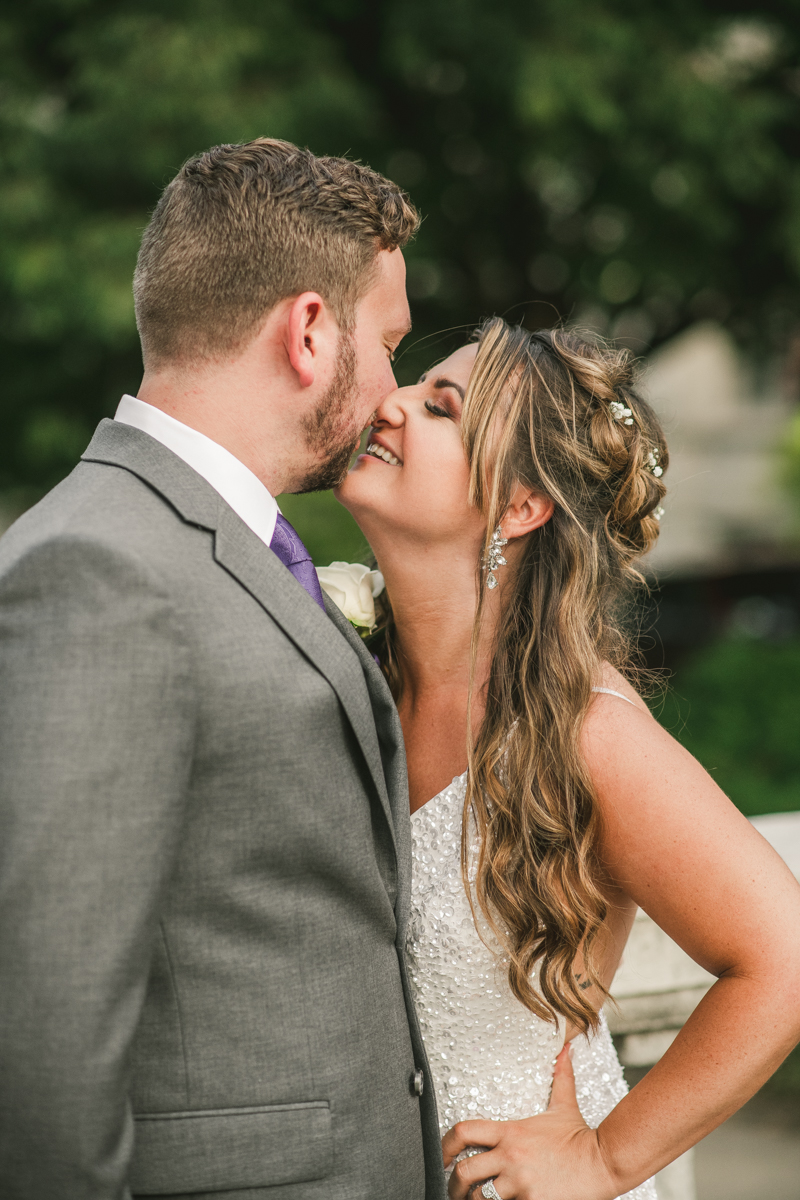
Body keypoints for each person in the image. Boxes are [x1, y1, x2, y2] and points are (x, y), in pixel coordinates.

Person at [0, 139, 447, 1200]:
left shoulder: (230, 544)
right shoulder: (96, 569)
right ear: (306, 333)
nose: (389, 391)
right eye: (386, 344)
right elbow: (42, 1029)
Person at [335, 317, 800, 1200]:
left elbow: (786, 955)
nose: (387, 404)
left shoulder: (587, 733)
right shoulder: (351, 673)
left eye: (440, 408)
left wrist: (602, 1159)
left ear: (520, 506)